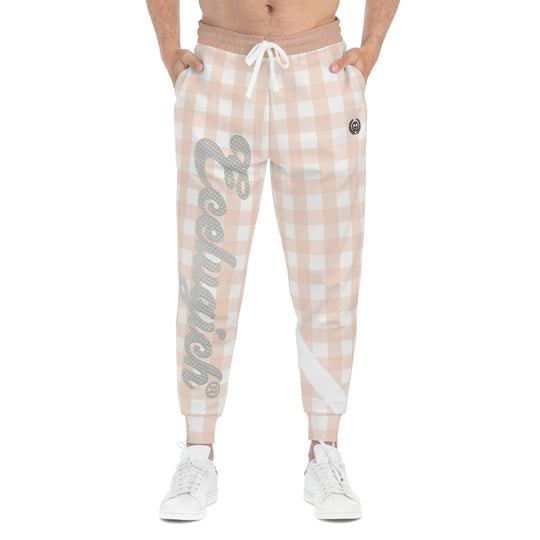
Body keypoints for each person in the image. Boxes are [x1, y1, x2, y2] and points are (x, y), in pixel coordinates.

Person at [146, 0, 399, 521]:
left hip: (320, 70)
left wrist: (372, 46)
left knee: (329, 272)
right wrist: (169, 48)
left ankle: (324, 450)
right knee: (205, 271)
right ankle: (197, 452)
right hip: (218, 68)